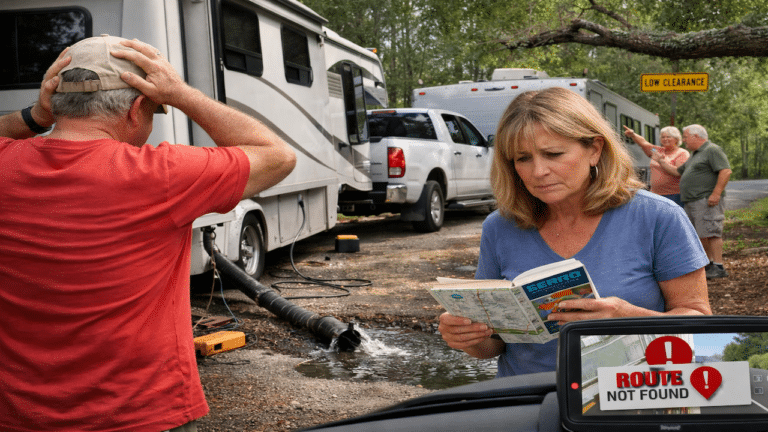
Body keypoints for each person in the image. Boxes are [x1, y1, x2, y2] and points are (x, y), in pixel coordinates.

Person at [0, 35, 296, 431]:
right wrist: (183, 95)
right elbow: (279, 156)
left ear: (56, 103)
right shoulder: (162, 175)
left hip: (18, 418)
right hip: (140, 416)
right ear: (136, 109)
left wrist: (36, 116)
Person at [437, 87, 711, 378]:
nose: (538, 171)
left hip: (628, 393)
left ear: (595, 149)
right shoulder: (500, 226)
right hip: (526, 395)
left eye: (553, 154)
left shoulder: (657, 217)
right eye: (522, 158)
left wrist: (627, 317)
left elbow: (700, 326)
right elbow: (493, 346)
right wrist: (469, 337)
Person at [653, 124, 732, 279]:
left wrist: (716, 193)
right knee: (701, 233)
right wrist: (661, 162)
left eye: (686, 137)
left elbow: (725, 171)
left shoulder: (712, 150)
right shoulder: (695, 154)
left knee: (712, 232)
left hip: (706, 199)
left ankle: (719, 266)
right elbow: (677, 172)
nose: (684, 140)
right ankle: (709, 264)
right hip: (692, 200)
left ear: (696, 136)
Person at [623, 124, 689, 206]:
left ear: (676, 139)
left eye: (668, 137)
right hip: (655, 194)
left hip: (674, 195)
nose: (665, 139)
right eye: (663, 137)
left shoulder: (682, 153)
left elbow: (677, 172)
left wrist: (661, 161)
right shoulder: (657, 150)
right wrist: (633, 135)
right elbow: (643, 143)